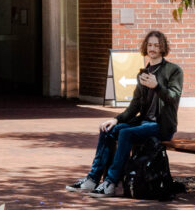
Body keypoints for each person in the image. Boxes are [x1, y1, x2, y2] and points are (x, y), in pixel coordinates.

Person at [65, 30, 183, 198]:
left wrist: (157, 86)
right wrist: (115, 119)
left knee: (126, 133)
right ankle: (93, 178)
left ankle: (111, 183)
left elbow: (174, 97)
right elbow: (134, 106)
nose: (152, 48)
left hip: (161, 126)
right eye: (149, 45)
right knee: (108, 130)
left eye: (156, 45)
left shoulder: (174, 70)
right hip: (143, 122)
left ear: (162, 47)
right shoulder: (143, 74)